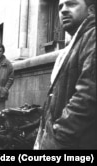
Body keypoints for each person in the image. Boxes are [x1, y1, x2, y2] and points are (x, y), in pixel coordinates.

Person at [34, 0, 96, 149]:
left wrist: (59, 136)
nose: (63, 10)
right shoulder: (78, 40)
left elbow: (87, 97)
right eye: (60, 6)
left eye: (71, 4)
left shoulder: (92, 35)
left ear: (91, 10)